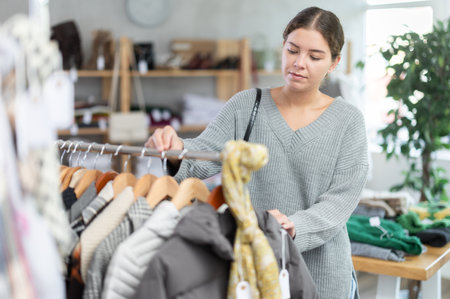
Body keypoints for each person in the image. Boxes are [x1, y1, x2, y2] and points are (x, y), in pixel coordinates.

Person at [145, 6, 368, 299]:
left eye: (314, 57)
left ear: (334, 62)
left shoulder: (348, 121)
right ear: (283, 47)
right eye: (292, 50)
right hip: (252, 269)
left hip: (322, 275)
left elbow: (341, 200)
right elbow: (204, 155)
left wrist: (294, 225)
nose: (299, 63)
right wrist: (176, 150)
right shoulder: (246, 105)